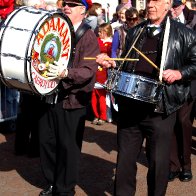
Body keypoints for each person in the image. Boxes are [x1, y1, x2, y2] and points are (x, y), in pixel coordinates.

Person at [96, 0, 196, 195]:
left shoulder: (184, 33)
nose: (150, 4)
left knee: (159, 164)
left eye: (156, 1)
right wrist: (112, 63)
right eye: (149, 0)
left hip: (160, 108)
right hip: (130, 107)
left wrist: (179, 73)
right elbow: (126, 63)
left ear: (167, 4)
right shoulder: (136, 31)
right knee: (124, 161)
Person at [38, 0, 99, 195]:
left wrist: (66, 73)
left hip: (72, 99)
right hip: (49, 95)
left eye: (73, 4)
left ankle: (65, 189)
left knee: (68, 148)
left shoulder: (88, 35)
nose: (67, 6)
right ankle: (52, 182)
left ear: (82, 10)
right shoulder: (55, 28)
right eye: (65, 3)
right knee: (46, 141)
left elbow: (88, 70)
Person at [168, 0, 196, 182]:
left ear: (182, 6)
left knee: (183, 123)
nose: (172, 10)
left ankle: (186, 165)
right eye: (170, 7)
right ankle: (173, 165)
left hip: (189, 80)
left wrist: (182, 73)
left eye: (175, 7)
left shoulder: (193, 21)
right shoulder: (165, 22)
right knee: (169, 123)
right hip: (168, 82)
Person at [91, 23, 113, 125]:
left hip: (104, 72)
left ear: (106, 32)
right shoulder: (96, 40)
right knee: (93, 95)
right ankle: (96, 115)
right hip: (95, 70)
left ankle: (103, 116)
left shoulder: (111, 43)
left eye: (101, 32)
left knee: (102, 96)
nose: (98, 33)